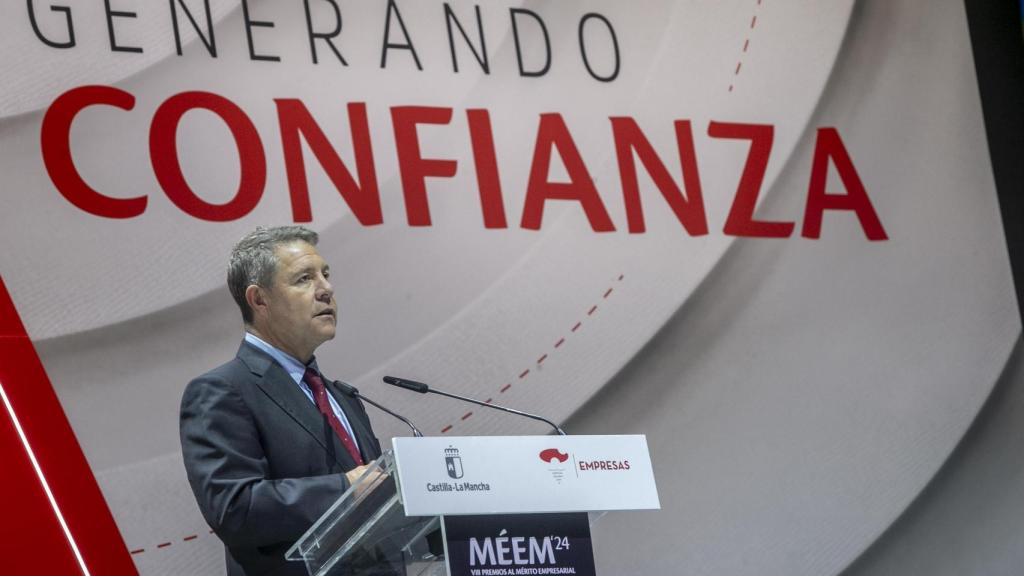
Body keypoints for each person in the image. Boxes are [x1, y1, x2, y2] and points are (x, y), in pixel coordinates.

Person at [180, 225, 384, 576]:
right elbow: (235, 508)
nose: (326, 289)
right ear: (259, 300)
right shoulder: (222, 391)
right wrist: (345, 487)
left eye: (326, 274)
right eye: (304, 278)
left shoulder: (343, 397)